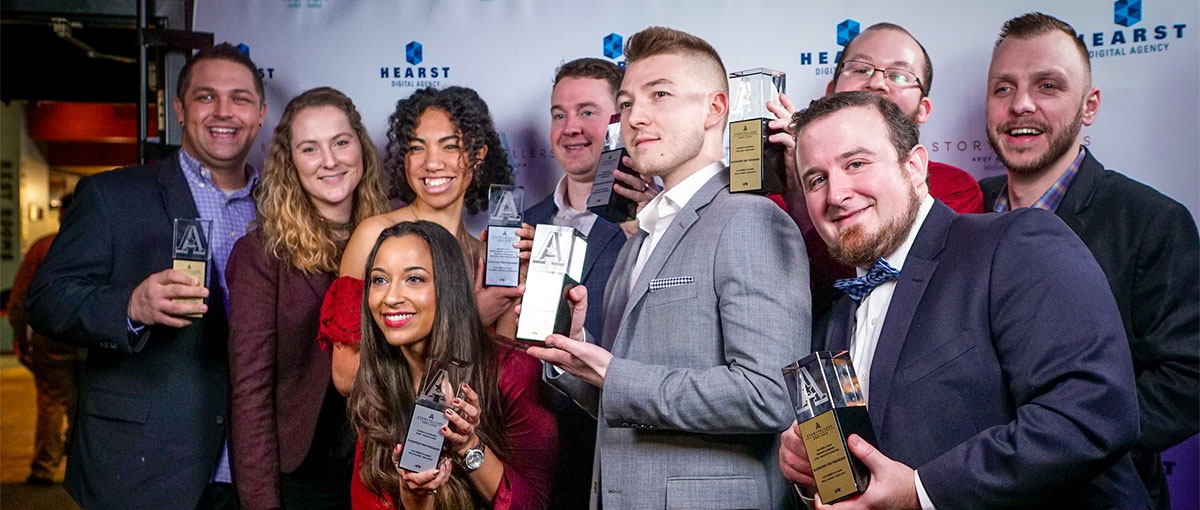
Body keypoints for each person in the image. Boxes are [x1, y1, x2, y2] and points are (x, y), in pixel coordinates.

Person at [779, 90, 1147, 508]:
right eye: (817, 179)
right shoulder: (836, 317)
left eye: (856, 164)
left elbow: (1093, 412)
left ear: (915, 166)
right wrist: (811, 470)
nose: (836, 194)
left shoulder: (1014, 245)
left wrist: (920, 492)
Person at [525, 26, 809, 509]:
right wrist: (576, 358)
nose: (636, 116)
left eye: (660, 94)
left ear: (715, 108)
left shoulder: (750, 218)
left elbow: (769, 395)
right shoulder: (641, 233)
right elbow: (624, 401)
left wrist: (615, 375)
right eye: (627, 103)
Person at [26, 42, 266, 509]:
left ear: (259, 115)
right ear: (179, 109)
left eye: (239, 98)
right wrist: (130, 306)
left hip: (250, 469)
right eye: (206, 96)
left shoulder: (281, 208)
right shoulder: (112, 196)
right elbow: (46, 299)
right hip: (142, 466)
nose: (223, 111)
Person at [977, 13, 1199, 509]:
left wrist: (1063, 443)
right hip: (967, 490)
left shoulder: (1152, 221)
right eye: (1003, 88)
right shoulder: (962, 211)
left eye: (1048, 86)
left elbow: (1189, 377)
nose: (1021, 104)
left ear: (1089, 105)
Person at [227, 87, 388, 510]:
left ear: (361, 146)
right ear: (290, 162)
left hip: (387, 467)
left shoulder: (397, 235)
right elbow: (250, 389)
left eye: (341, 142)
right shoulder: (261, 255)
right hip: (305, 476)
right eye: (310, 148)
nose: (330, 160)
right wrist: (261, 503)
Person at [771, 22, 984, 324]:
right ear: (830, 92)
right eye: (860, 69)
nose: (877, 83)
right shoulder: (773, 203)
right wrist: (797, 190)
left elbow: (901, 276)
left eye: (899, 75)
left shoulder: (954, 187)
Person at [525, 56, 660, 509]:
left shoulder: (657, 220)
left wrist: (648, 229)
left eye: (587, 112)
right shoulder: (523, 227)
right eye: (558, 114)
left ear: (621, 123)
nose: (571, 128)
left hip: (622, 441)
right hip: (535, 448)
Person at [347, 221, 556, 510]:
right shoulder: (378, 377)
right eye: (380, 280)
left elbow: (531, 505)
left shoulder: (513, 371)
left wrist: (468, 444)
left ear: (450, 288)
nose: (391, 298)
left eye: (414, 279)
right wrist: (415, 493)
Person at [325, 86, 517, 397]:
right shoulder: (376, 237)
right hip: (397, 425)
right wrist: (472, 319)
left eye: (450, 146)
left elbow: (504, 378)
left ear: (478, 155)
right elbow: (346, 378)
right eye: (417, 148)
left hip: (474, 425)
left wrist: (529, 284)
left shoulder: (486, 256)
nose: (432, 163)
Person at [8, 193, 86, 486]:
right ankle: (80, 462)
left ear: (61, 214)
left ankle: (44, 467)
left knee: (52, 401)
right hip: (89, 337)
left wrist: (20, 336)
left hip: (50, 338)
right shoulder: (97, 245)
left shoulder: (43, 247)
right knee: (86, 402)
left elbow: (20, 299)